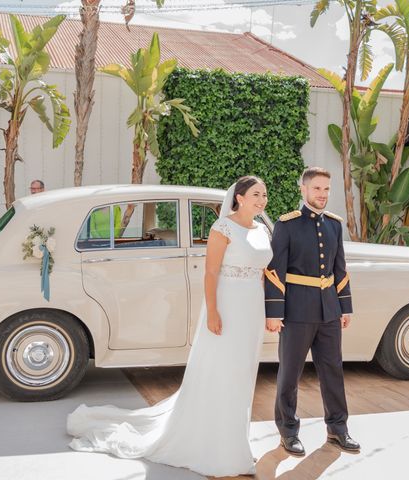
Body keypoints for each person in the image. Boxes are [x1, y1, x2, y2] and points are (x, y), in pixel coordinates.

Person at [66, 176, 272, 477]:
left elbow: (267, 272)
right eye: (256, 194)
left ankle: (235, 438)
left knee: (243, 373)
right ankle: (217, 446)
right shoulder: (223, 227)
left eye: (265, 195)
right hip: (227, 305)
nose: (262, 199)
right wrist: (212, 312)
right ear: (239, 197)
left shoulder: (263, 230)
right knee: (221, 371)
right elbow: (211, 272)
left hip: (252, 306)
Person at [265, 166, 360, 456]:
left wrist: (345, 306)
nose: (322, 194)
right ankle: (288, 431)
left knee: (333, 371)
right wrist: (274, 312)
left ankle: (338, 428)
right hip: (296, 310)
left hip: (329, 309)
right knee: (290, 374)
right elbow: (274, 271)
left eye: (326, 189)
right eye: (317, 188)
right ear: (303, 189)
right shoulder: (287, 224)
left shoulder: (334, 224)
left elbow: (339, 269)